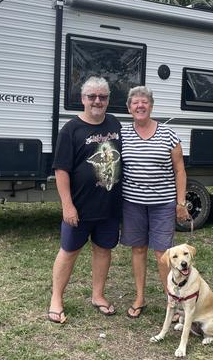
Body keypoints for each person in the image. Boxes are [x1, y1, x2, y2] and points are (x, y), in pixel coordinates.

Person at [48, 76, 122, 324]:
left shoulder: (115, 124)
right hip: (79, 208)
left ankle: (98, 295)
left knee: (103, 250)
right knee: (69, 251)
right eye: (92, 96)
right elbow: (61, 170)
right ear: (82, 99)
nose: (97, 101)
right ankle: (56, 299)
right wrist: (67, 205)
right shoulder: (71, 130)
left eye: (102, 96)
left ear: (108, 99)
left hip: (109, 207)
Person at [120, 85, 190, 319]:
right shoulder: (122, 134)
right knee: (138, 249)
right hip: (132, 203)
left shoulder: (168, 134)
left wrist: (180, 203)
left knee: (163, 253)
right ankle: (140, 297)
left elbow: (180, 170)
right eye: (135, 102)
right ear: (129, 108)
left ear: (151, 106)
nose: (140, 106)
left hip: (163, 204)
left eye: (144, 102)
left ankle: (172, 300)